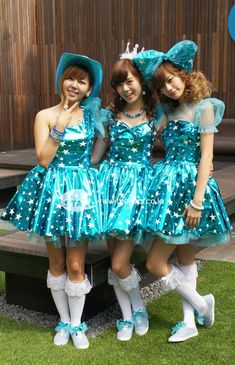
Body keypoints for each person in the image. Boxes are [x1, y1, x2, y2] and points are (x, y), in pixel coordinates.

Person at [1, 52, 104, 349]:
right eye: (70, 77)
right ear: (61, 80)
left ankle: (77, 324)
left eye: (82, 81)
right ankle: (63, 322)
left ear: (88, 88)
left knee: (75, 265)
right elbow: (44, 160)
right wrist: (59, 126)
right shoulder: (44, 115)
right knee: (57, 264)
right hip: (52, 195)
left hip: (80, 196)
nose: (74, 84)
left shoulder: (91, 116)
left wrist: (91, 173)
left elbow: (97, 152)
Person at [134, 40, 233, 342]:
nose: (169, 88)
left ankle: (202, 306)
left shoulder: (204, 108)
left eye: (172, 79)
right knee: (183, 255)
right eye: (162, 85)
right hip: (166, 186)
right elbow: (146, 130)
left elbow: (206, 158)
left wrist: (198, 201)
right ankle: (191, 319)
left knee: (155, 262)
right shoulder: (166, 110)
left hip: (189, 190)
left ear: (184, 73)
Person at [92, 43, 158, 341]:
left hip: (137, 192)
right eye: (119, 83)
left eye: (129, 81)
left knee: (120, 263)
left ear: (141, 81)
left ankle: (139, 309)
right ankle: (127, 317)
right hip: (109, 188)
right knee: (113, 256)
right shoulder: (108, 115)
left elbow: (182, 142)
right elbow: (97, 156)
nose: (124, 88)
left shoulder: (156, 115)